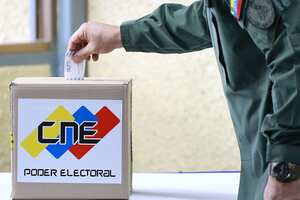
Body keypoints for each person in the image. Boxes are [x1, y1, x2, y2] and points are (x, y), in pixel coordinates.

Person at [68, 0, 300, 199]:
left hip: (284, 159)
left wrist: (287, 168)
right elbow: (207, 18)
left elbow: (293, 62)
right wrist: (120, 35)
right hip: (271, 153)